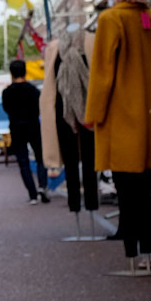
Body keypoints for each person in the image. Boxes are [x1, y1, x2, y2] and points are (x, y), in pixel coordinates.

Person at [84, 0, 151, 266]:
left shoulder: (111, 19)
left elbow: (102, 72)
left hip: (124, 119)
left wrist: (94, 114)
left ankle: (137, 252)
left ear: (119, 0)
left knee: (129, 190)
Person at [53, 32, 98, 213]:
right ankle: (74, 205)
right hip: (64, 112)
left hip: (89, 110)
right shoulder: (54, 49)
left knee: (91, 161)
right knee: (70, 162)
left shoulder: (91, 42)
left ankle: (92, 204)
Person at [2, 59, 49, 204]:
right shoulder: (33, 90)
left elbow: (7, 109)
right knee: (41, 157)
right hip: (33, 125)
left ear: (11, 73)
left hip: (16, 127)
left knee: (23, 161)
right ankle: (42, 186)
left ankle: (32, 194)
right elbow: (40, 107)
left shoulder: (7, 92)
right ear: (25, 71)